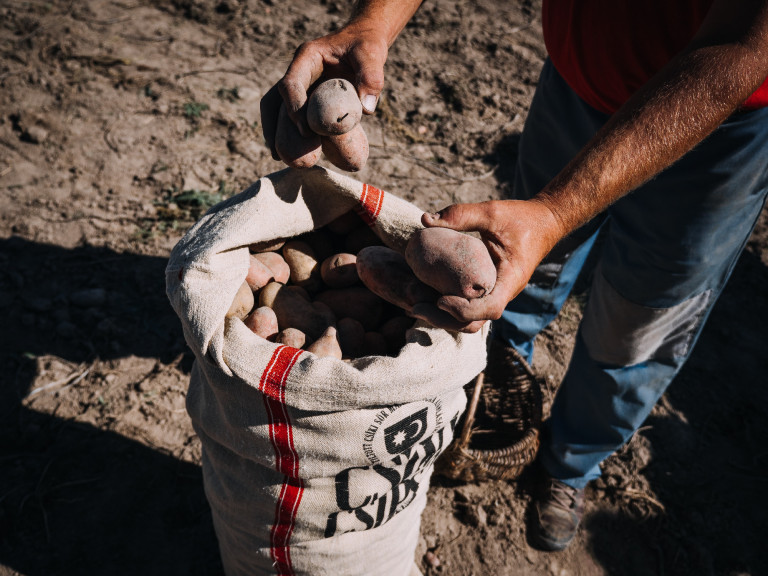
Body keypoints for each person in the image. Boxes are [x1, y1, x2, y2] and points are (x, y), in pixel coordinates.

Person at [261, 0, 768, 552]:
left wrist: (556, 210)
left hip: (717, 121)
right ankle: (492, 385)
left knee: (641, 316)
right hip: (577, 85)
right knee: (520, 273)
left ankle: (571, 464)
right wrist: (373, 23)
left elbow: (745, 45)